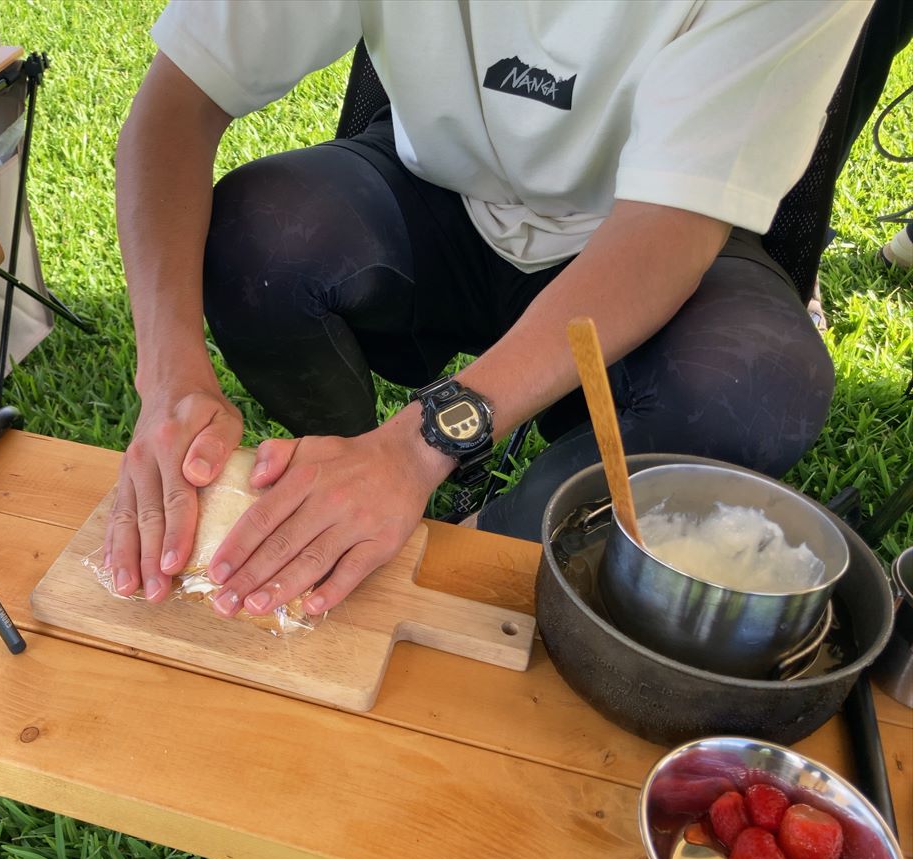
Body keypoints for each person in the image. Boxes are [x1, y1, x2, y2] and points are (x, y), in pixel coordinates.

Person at [105, 0, 872, 623]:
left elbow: (667, 231)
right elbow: (178, 102)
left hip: (641, 230)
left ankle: (477, 549)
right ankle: (335, 474)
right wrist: (169, 379)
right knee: (258, 241)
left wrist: (422, 443)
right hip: (440, 190)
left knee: (757, 389)